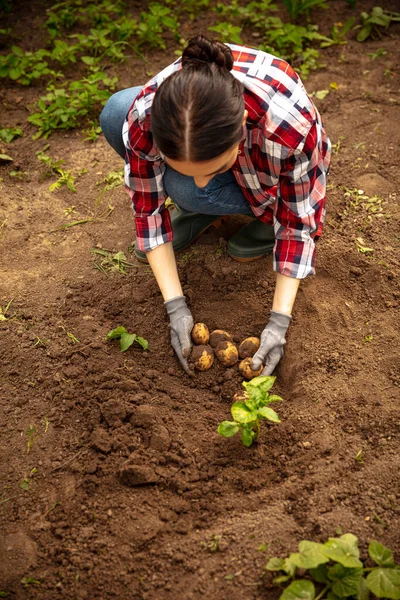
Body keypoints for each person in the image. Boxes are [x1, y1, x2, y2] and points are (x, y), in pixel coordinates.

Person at [100, 35, 331, 376]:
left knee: (195, 190)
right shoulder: (148, 113)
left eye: (215, 169)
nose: (202, 180)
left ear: (239, 129)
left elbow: (298, 223)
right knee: (117, 110)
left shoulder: (288, 127)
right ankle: (200, 205)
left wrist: (279, 323)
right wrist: (175, 307)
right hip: (222, 146)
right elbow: (147, 210)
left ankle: (262, 221)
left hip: (268, 173)